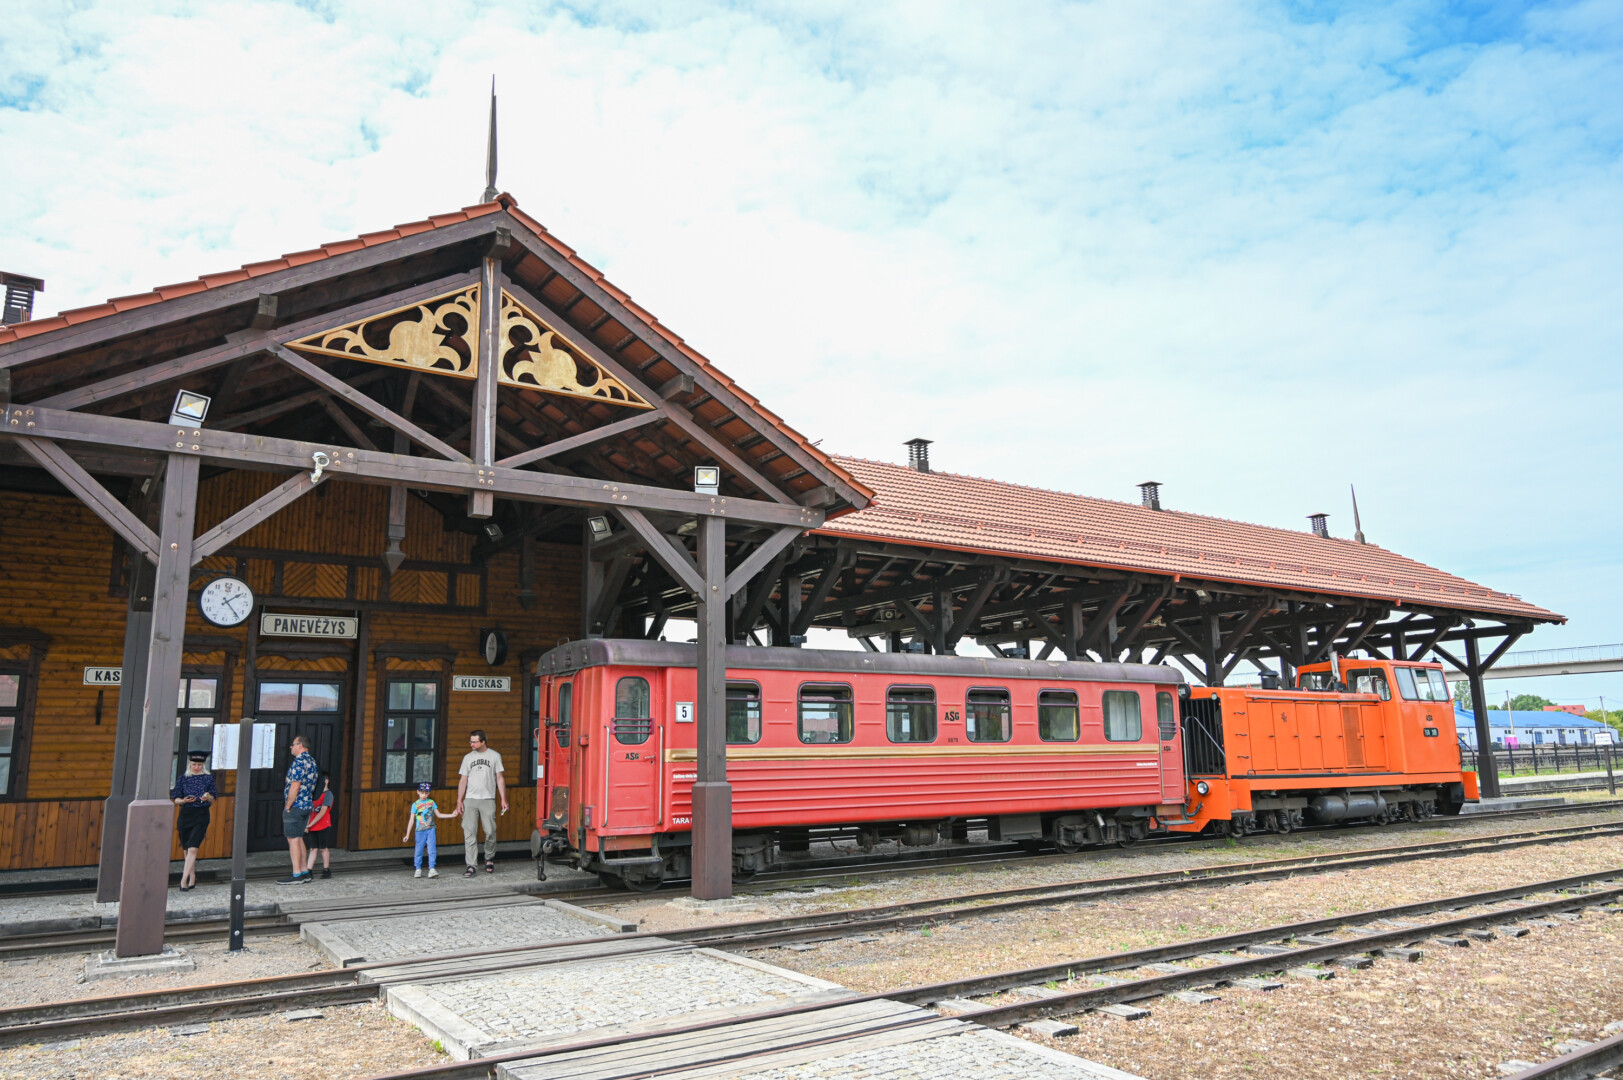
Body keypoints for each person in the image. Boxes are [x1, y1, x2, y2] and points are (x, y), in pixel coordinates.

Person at [455, 729, 508, 877]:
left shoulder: (494, 756)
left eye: (474, 741)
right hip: (470, 799)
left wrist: (503, 798)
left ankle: (489, 857)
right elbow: (463, 780)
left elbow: (500, 778)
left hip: (488, 798)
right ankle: (471, 865)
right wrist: (459, 800)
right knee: (469, 832)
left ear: (483, 741)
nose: (471, 744)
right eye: (470, 741)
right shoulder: (467, 758)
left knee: (490, 831)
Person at [169, 751, 218, 891]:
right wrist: (184, 800)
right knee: (186, 849)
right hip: (186, 814)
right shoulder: (183, 778)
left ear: (203, 765)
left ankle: (183, 881)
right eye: (194, 764)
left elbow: (213, 798)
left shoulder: (208, 778)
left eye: (199, 764)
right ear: (190, 764)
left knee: (192, 848)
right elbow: (176, 798)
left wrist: (207, 797)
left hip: (201, 814)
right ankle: (192, 877)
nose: (196, 767)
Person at [277, 735, 318, 885]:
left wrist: (288, 805)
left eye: (293, 744)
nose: (290, 747)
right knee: (299, 837)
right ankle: (304, 871)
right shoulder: (312, 761)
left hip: (296, 805)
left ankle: (296, 873)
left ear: (300, 745)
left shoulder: (299, 762)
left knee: (293, 839)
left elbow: (295, 785)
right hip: (307, 804)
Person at [402, 781, 454, 878]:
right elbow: (411, 820)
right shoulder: (415, 804)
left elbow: (438, 814)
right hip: (420, 830)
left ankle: (432, 868)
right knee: (419, 849)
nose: (424, 795)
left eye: (426, 793)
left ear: (429, 793)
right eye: (422, 792)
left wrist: (451, 815)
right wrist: (407, 834)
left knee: (432, 849)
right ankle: (418, 868)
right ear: (418, 792)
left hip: (431, 829)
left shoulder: (431, 802)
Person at [303, 774, 336, 879]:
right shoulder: (314, 795)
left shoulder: (328, 794)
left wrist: (310, 824)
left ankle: (326, 869)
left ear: (326, 781)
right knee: (313, 848)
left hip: (323, 825)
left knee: (323, 848)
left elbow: (323, 811)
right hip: (312, 825)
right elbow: (310, 811)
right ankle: (309, 870)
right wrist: (308, 824)